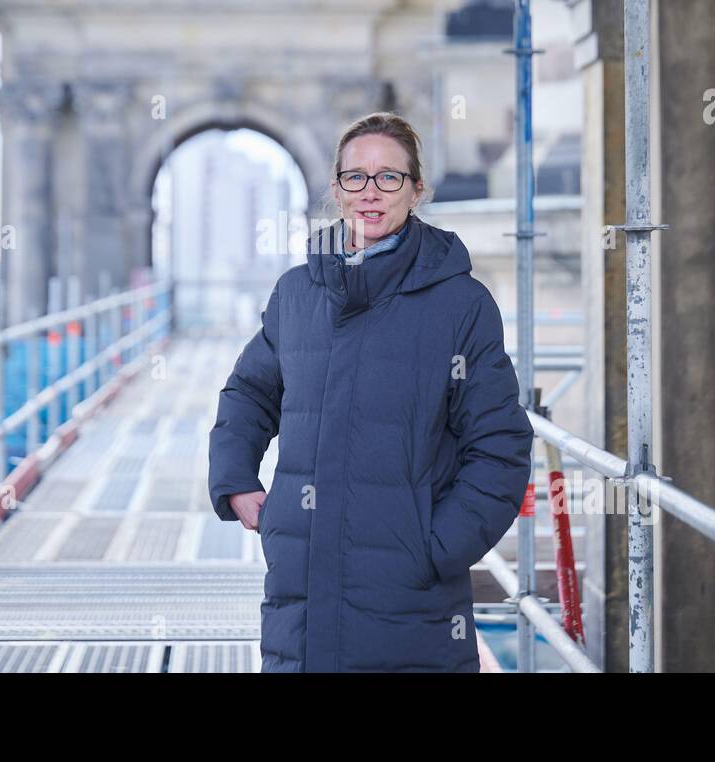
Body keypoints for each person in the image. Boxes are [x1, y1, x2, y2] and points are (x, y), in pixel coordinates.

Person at [208, 111, 535, 672]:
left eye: (390, 177)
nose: (371, 192)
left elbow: (501, 447)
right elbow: (249, 394)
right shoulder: (297, 294)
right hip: (302, 583)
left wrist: (434, 548)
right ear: (336, 189)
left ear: (416, 190)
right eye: (356, 177)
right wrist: (236, 481)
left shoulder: (461, 305)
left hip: (411, 598)